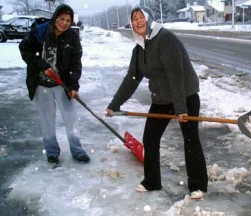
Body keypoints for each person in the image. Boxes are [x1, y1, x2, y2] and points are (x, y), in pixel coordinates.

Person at [105, 6, 208, 199]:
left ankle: (198, 185)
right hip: (161, 98)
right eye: (134, 18)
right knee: (150, 138)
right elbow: (131, 79)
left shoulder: (165, 39)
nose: (138, 21)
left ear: (149, 18)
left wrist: (181, 108)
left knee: (190, 140)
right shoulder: (138, 49)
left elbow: (176, 75)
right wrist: (114, 104)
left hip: (184, 95)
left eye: (141, 16)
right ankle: (152, 181)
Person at [19, 4, 90, 164]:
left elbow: (75, 63)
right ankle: (51, 151)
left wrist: (73, 86)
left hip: (61, 84)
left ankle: (77, 150)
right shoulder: (40, 31)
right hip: (41, 85)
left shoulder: (72, 37)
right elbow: (24, 48)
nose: (64, 23)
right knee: (47, 120)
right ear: (55, 17)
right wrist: (41, 65)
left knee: (71, 119)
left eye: (68, 20)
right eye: (61, 18)